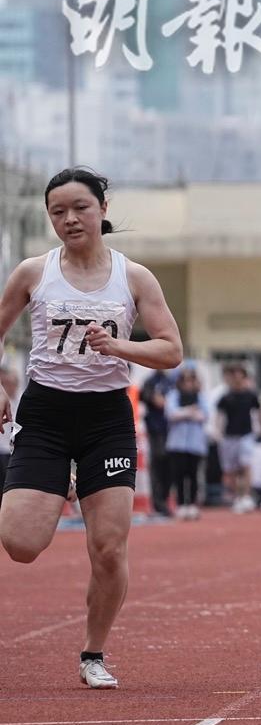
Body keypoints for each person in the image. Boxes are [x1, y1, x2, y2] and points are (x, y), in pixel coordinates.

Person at [0, 167, 183, 688]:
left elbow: (171, 350)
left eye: (79, 207)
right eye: (57, 211)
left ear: (102, 208)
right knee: (20, 543)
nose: (69, 219)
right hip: (46, 416)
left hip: (106, 418)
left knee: (108, 548)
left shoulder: (134, 277)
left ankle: (92, 653)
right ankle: (57, 478)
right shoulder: (33, 273)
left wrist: (119, 346)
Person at [214, 362, 261, 512]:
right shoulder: (226, 397)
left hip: (246, 434)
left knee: (246, 465)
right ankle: (237, 497)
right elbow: (219, 416)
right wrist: (218, 432)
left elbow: (260, 412)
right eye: (233, 375)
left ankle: (247, 496)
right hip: (230, 435)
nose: (236, 379)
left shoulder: (251, 395)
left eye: (239, 375)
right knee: (232, 469)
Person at [165, 365, 210, 520]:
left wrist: (185, 413)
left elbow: (205, 415)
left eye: (191, 380)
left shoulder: (201, 396)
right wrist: (190, 411)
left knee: (193, 475)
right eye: (185, 380)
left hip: (195, 444)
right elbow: (171, 413)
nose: (188, 384)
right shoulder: (174, 395)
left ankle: (191, 504)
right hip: (177, 443)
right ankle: (180, 504)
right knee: (179, 475)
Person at [140, 365, 174, 517]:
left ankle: (165, 500)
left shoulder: (171, 381)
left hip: (172, 429)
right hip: (156, 430)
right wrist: (153, 397)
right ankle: (158, 502)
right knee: (158, 463)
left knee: (170, 466)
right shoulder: (150, 382)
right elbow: (144, 396)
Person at [0, 366, 18, 501]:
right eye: (5, 383)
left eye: (11, 384)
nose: (9, 387)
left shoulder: (21, 403)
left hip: (12, 452)